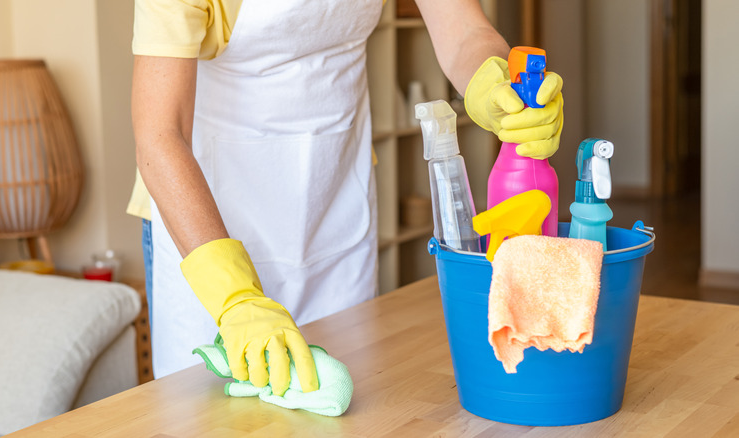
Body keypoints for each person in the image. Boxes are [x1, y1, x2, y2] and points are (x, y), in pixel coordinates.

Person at [129, 0, 564, 396]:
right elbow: (159, 134)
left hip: (333, 208)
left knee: (340, 402)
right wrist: (234, 297)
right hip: (209, 227)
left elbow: (464, 30)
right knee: (207, 415)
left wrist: (492, 84)